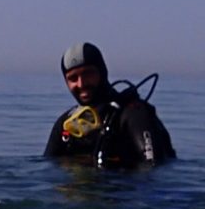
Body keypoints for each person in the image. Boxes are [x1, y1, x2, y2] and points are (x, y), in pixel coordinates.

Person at [44, 42, 175, 168]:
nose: (81, 84)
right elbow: (48, 166)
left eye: (88, 73)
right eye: (73, 78)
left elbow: (153, 168)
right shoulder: (65, 124)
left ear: (102, 72)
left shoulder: (134, 114)